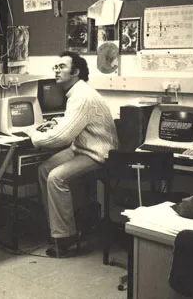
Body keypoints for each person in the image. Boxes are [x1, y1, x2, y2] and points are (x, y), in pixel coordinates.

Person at [27, 51, 118, 257]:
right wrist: (58, 122)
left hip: (98, 153)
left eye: (61, 67)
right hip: (83, 148)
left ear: (76, 72)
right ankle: (56, 227)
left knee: (55, 177)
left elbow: (62, 138)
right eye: (55, 67)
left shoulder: (82, 96)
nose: (56, 71)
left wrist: (33, 138)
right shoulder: (77, 92)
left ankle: (65, 238)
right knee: (44, 169)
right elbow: (75, 122)